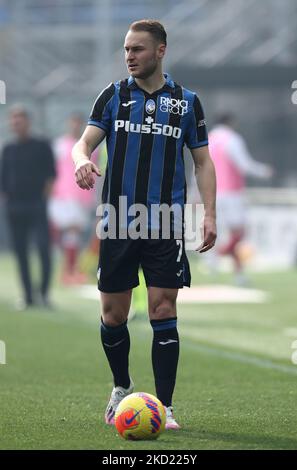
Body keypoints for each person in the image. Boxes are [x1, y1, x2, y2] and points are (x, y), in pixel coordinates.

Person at [72, 19, 217, 429]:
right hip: (117, 219)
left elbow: (203, 162)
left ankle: (165, 406)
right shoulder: (113, 96)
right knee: (114, 315)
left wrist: (209, 213)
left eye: (137, 49)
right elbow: (83, 143)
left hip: (165, 220)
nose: (129, 57)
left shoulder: (187, 102)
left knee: (163, 308)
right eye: (126, 50)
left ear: (160, 51)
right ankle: (121, 386)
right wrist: (82, 160)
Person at [0, 106, 56, 309]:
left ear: (28, 122)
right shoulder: (8, 149)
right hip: (14, 207)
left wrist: (43, 200)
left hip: (36, 205)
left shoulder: (41, 145)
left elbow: (51, 175)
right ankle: (27, 295)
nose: (16, 122)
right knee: (20, 252)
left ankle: (44, 293)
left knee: (43, 248)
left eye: (20, 118)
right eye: (13, 119)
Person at [208, 113, 273, 284]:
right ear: (231, 123)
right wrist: (263, 171)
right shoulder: (232, 139)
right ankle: (219, 256)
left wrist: (194, 193)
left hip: (213, 192)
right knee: (239, 233)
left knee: (223, 232)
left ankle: (235, 273)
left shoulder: (208, 139)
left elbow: (199, 167)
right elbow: (244, 165)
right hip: (232, 193)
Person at [49, 114, 97, 285]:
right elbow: (52, 169)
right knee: (70, 232)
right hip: (63, 195)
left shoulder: (92, 148)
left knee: (73, 235)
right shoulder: (60, 145)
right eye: (73, 122)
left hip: (83, 195)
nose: (75, 126)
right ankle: (69, 271)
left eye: (78, 123)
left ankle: (69, 271)